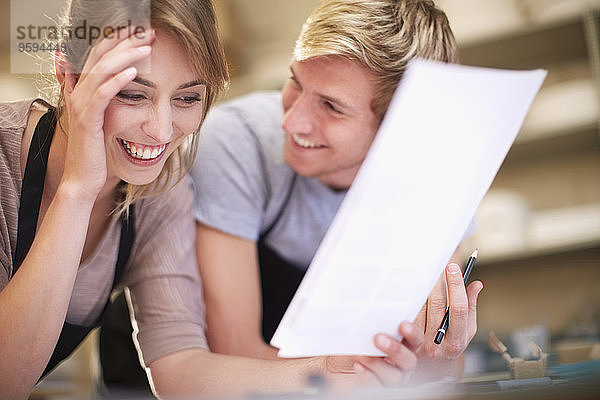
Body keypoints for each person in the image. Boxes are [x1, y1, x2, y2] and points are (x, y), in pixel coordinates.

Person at [1, 0, 448, 398]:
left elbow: (181, 370)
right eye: (133, 95)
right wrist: (78, 191)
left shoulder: (160, 189)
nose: (161, 131)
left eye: (187, 97)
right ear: (69, 77)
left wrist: (334, 368)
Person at [191, 0, 482, 374]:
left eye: (331, 106)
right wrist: (369, 379)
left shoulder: (438, 176)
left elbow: (432, 356)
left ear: (399, 130)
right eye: (295, 81)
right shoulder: (234, 141)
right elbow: (236, 353)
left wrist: (437, 354)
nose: (291, 123)